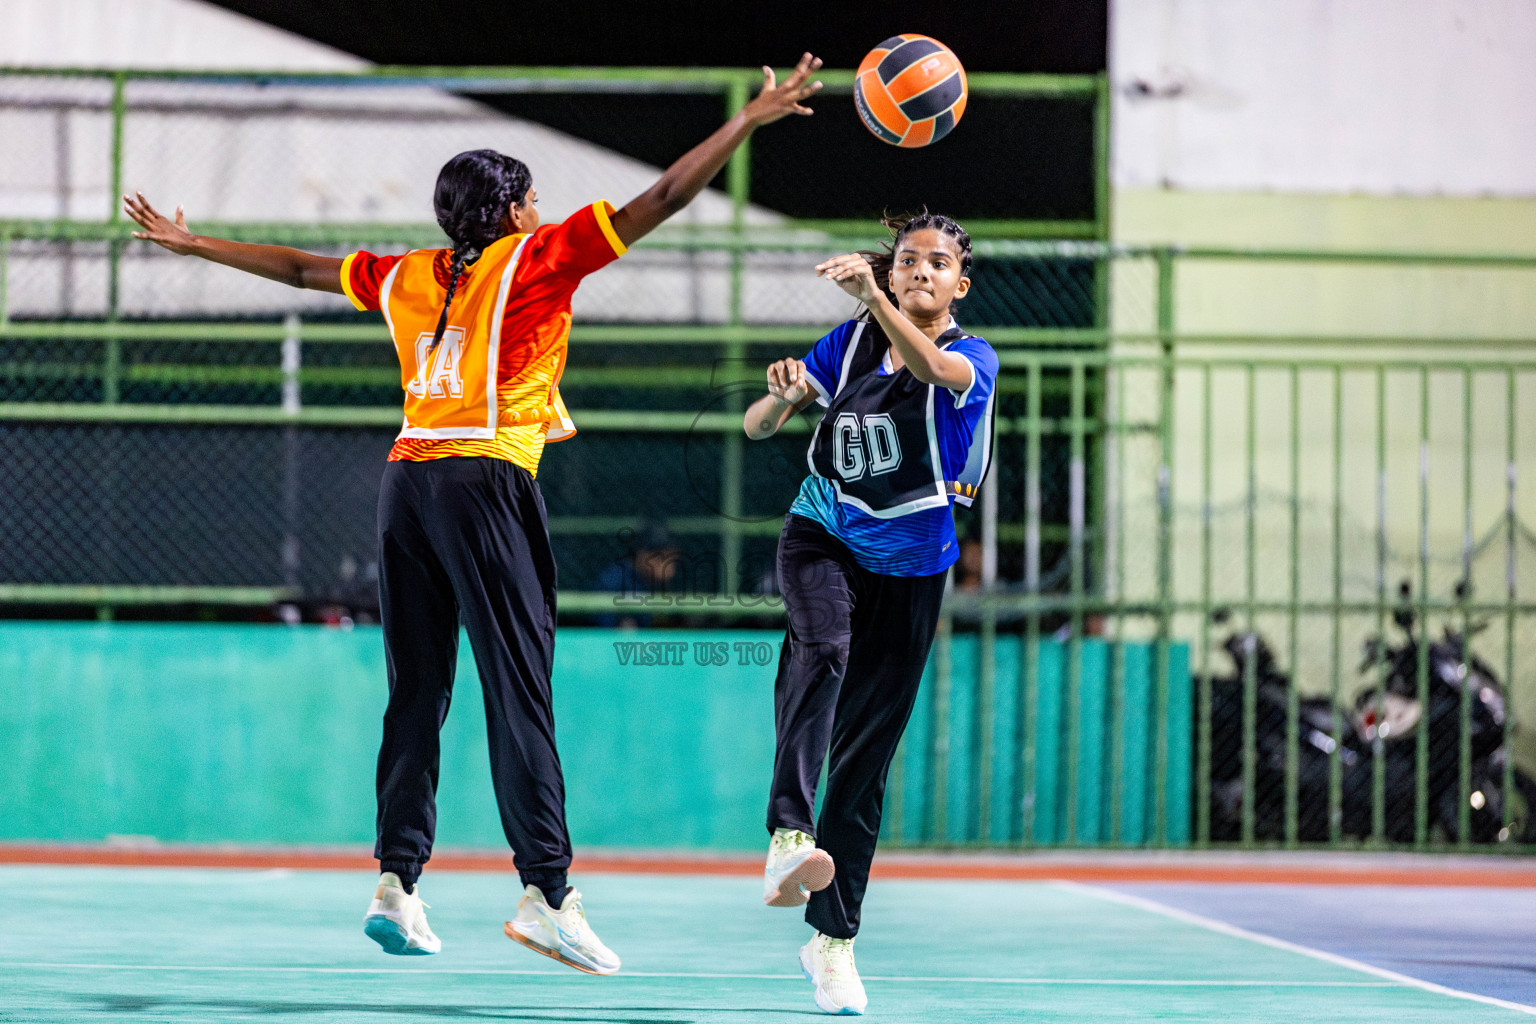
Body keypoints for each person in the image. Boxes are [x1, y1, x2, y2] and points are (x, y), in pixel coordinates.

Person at [123, 53, 823, 976]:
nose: (540, 209)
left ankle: (396, 882)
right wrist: (747, 122)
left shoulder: (407, 273)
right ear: (517, 210)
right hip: (484, 481)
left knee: (419, 689)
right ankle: (547, 893)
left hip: (405, 483)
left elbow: (298, 267)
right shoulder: (536, 259)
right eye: (532, 198)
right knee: (518, 690)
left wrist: (197, 243)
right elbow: (662, 198)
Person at [742, 212, 997, 1015]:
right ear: (892, 273)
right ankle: (787, 838)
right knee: (818, 651)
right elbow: (756, 425)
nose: (921, 270)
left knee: (863, 766)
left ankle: (832, 943)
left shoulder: (974, 359)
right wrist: (780, 402)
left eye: (939, 263)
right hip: (825, 534)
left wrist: (872, 301)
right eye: (909, 260)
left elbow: (929, 366)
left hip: (913, 567)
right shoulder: (847, 344)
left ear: (960, 283)